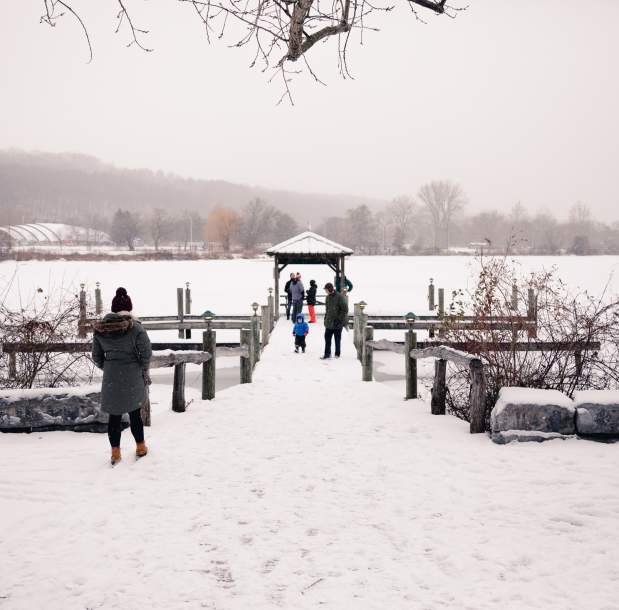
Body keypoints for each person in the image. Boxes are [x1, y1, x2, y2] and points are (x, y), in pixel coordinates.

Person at [92, 287, 152, 465]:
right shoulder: (136, 329)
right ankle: (140, 447)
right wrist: (140, 368)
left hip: (111, 378)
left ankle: (115, 453)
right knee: (135, 415)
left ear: (113, 309)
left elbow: (96, 357)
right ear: (129, 308)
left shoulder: (101, 329)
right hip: (133, 377)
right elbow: (146, 353)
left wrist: (109, 368)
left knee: (114, 417)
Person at [321, 282, 349, 359]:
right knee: (327, 339)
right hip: (329, 323)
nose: (325, 291)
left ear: (330, 289)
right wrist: (325, 318)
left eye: (326, 289)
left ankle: (337, 354)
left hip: (338, 323)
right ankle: (327, 354)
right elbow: (327, 309)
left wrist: (339, 319)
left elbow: (345, 309)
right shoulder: (327, 297)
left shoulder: (339, 296)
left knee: (337, 340)